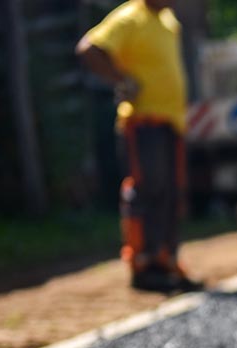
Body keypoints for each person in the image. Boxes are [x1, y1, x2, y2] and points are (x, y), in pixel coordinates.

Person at [77, 0, 200, 292]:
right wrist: (121, 80)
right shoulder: (130, 17)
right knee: (149, 190)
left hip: (171, 123)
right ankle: (143, 264)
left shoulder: (169, 21)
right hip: (144, 123)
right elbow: (90, 49)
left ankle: (165, 257)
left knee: (171, 192)